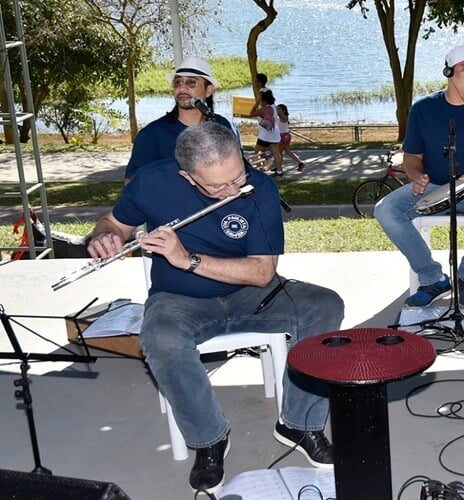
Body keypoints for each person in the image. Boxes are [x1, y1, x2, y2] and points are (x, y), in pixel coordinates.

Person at [87, 122, 344, 493]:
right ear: (188, 177)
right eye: (219, 186)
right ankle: (209, 439)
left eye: (237, 176)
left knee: (324, 306)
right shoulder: (152, 182)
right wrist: (104, 235)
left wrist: (187, 258)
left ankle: (299, 424)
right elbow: (113, 222)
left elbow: (261, 272)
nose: (233, 189)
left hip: (251, 293)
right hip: (179, 299)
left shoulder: (260, 188)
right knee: (160, 337)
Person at [374, 43, 464, 306]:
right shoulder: (424, 108)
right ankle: (432, 278)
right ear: (449, 72)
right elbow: (412, 157)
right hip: (435, 186)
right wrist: (416, 177)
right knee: (386, 209)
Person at [124, 56, 236, 184]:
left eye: (191, 83)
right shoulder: (152, 135)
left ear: (208, 90)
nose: (182, 88)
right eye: (178, 83)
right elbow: (131, 183)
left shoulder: (222, 126)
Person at [252, 89, 284, 176]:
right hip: (274, 134)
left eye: (261, 100)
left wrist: (256, 103)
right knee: (276, 153)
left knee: (257, 152)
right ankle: (279, 171)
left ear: (264, 100)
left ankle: (258, 171)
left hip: (265, 136)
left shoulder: (264, 109)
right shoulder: (274, 107)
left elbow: (252, 113)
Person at [276, 103, 305, 172]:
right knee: (288, 151)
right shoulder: (279, 117)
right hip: (285, 136)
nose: (277, 110)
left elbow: (281, 116)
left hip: (282, 136)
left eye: (279, 109)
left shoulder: (284, 117)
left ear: (283, 110)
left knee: (279, 153)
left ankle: (278, 167)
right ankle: (300, 163)